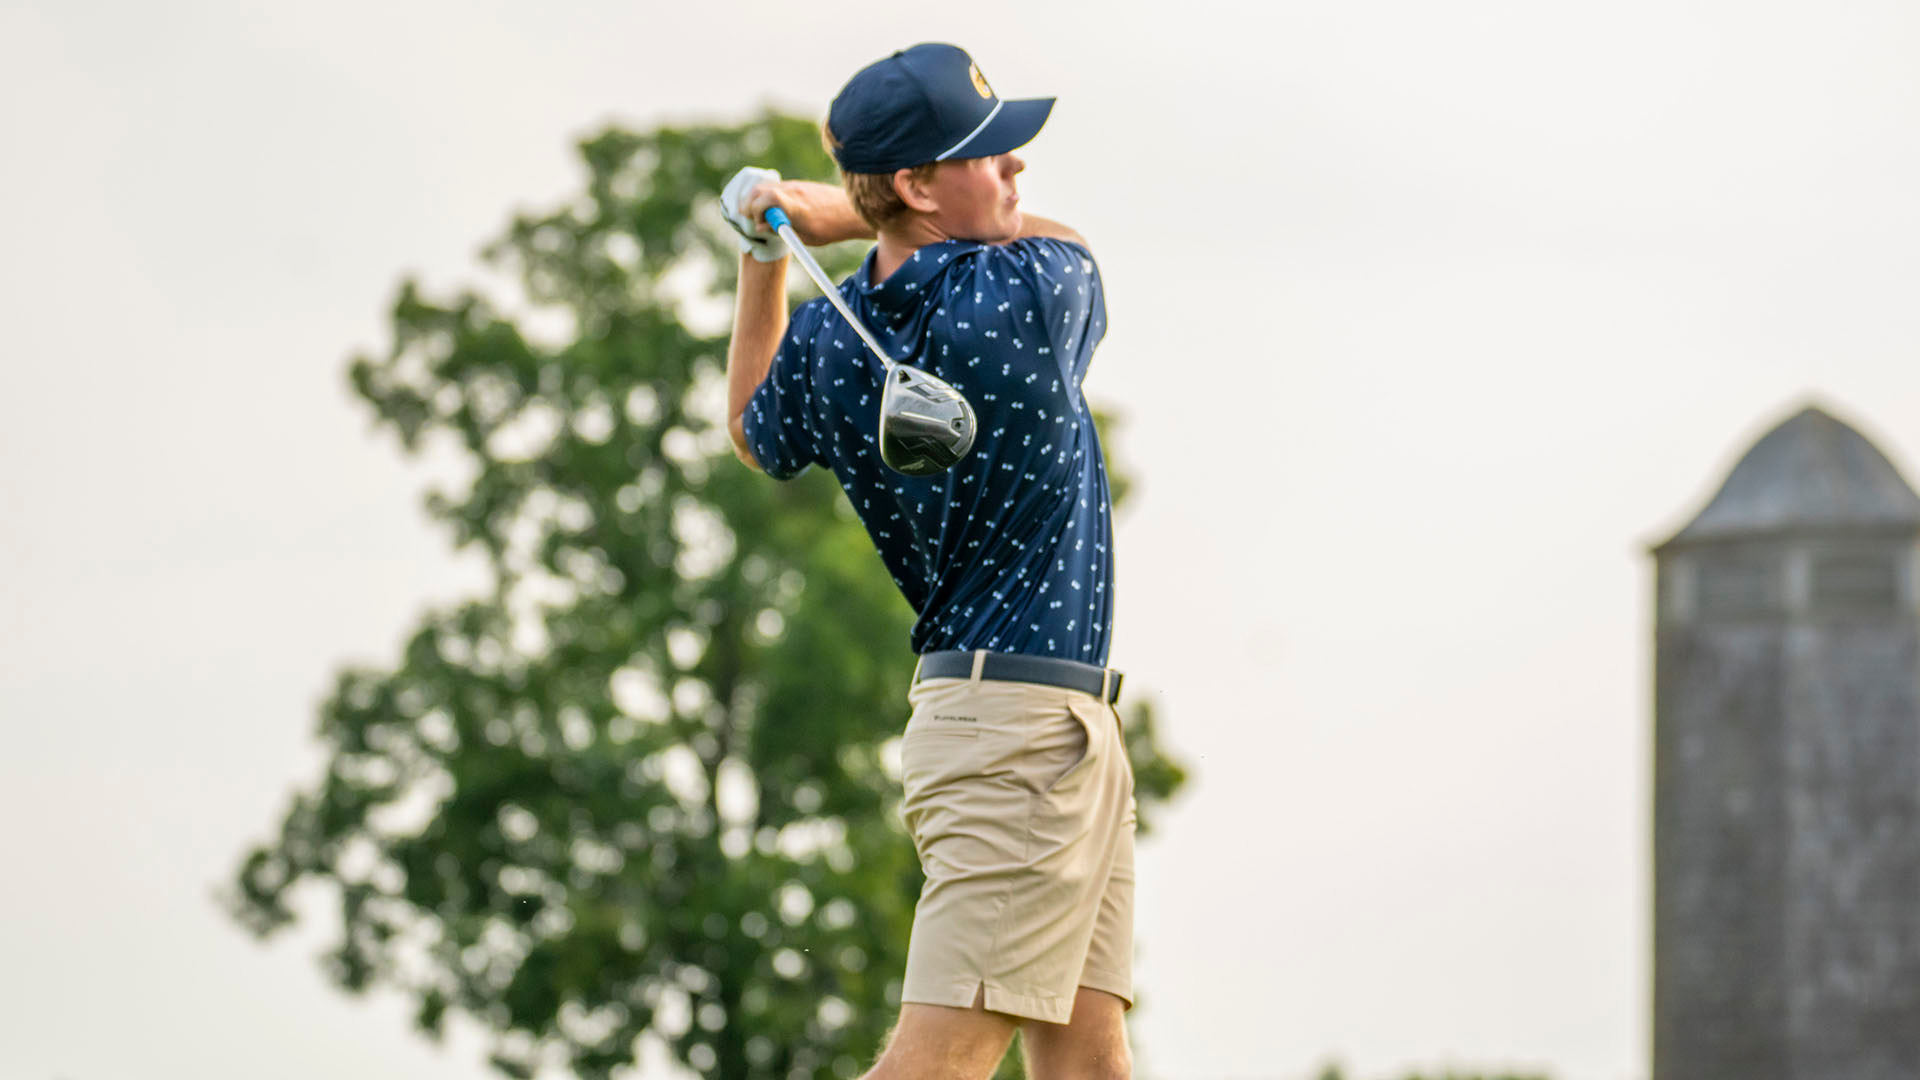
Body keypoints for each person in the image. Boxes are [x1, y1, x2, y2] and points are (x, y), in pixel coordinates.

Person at [720, 43, 1136, 1080]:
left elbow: (748, 425)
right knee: (939, 1062)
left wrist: (766, 255)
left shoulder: (831, 341)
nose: (1014, 172)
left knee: (1089, 1055)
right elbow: (1070, 239)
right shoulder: (1031, 295)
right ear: (914, 185)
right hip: (1021, 744)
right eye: (986, 156)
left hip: (1028, 728)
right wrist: (838, 214)